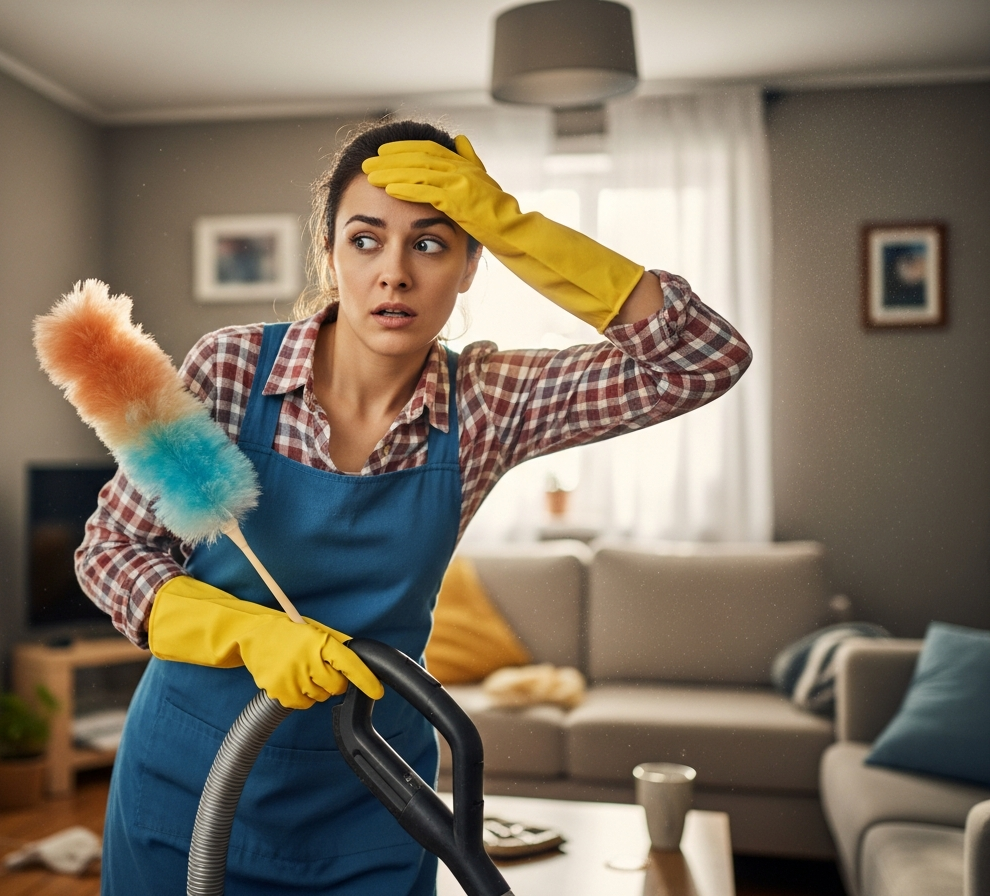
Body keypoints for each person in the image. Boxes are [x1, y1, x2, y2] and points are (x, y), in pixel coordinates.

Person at [78, 119, 752, 895]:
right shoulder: (229, 367)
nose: (393, 273)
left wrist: (509, 221)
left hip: (372, 793)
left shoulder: (488, 402)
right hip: (189, 786)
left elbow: (703, 358)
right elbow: (110, 552)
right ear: (330, 254)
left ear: (470, 265)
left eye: (431, 244)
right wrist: (246, 634)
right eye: (366, 241)